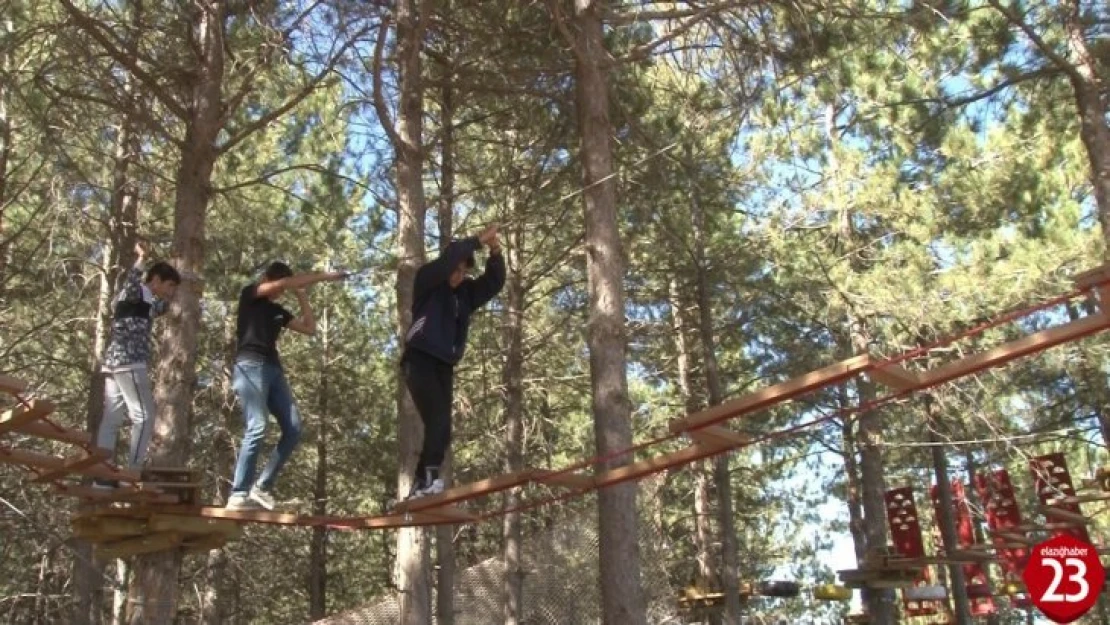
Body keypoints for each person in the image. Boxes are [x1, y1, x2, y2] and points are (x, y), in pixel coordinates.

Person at [226, 262, 348, 510]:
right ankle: (238, 494)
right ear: (267, 278)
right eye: (278, 285)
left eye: (282, 290)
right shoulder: (250, 294)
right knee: (258, 425)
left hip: (273, 369)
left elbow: (309, 328)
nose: (280, 292)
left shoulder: (278, 311)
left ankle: (261, 488)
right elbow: (282, 284)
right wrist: (324, 276)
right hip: (250, 365)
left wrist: (302, 295)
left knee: (293, 428)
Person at [402, 225, 504, 500]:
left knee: (443, 429)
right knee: (437, 419)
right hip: (419, 358)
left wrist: (495, 250)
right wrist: (479, 239)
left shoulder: (464, 295)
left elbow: (494, 283)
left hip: (444, 364)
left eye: (464, 272)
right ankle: (429, 481)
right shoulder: (428, 280)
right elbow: (452, 256)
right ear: (446, 266)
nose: (459, 276)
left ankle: (420, 486)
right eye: (456, 270)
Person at [95, 242, 180, 486]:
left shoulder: (145, 301)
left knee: (111, 419)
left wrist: (189, 290)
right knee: (144, 416)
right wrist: (140, 259)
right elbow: (133, 282)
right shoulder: (137, 291)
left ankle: (103, 476)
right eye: (170, 285)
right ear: (156, 280)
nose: (170, 291)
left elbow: (159, 309)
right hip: (129, 361)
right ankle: (132, 472)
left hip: (114, 363)